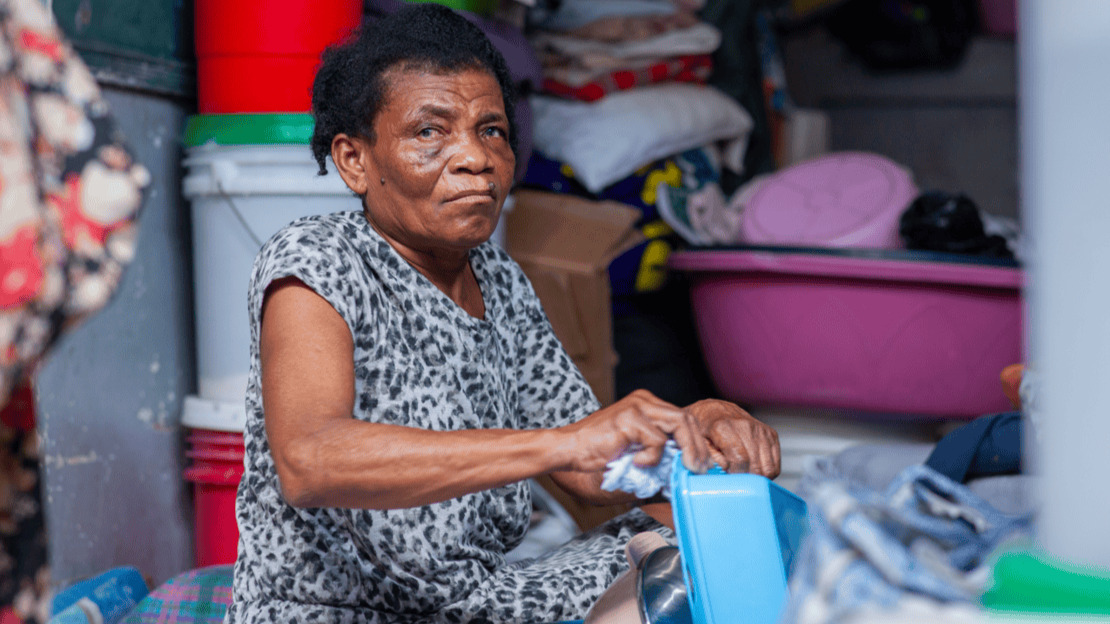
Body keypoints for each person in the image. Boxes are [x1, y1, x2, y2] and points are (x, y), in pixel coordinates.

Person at [226, 5, 780, 623]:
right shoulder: (317, 259)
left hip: (474, 604)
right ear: (356, 160)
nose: (476, 158)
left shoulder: (498, 279)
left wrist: (696, 436)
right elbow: (311, 460)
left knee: (705, 551)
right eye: (429, 132)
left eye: (491, 131)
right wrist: (558, 444)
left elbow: (592, 470)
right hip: (338, 612)